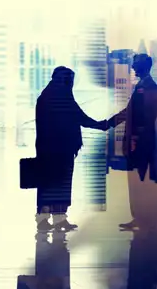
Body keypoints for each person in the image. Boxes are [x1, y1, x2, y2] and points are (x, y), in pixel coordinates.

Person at [34, 67, 107, 232]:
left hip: (49, 149)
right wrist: (102, 125)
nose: (71, 85)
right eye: (70, 81)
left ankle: (49, 218)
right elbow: (80, 118)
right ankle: (54, 218)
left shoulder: (46, 97)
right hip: (60, 150)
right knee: (60, 184)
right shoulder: (61, 98)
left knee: (49, 183)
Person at [107, 53, 157, 232]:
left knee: (140, 180)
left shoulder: (149, 88)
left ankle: (144, 219)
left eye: (136, 64)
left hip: (141, 141)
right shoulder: (142, 86)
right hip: (140, 140)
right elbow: (129, 112)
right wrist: (109, 123)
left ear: (144, 66)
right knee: (138, 181)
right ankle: (140, 217)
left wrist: (136, 138)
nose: (133, 67)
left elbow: (143, 116)